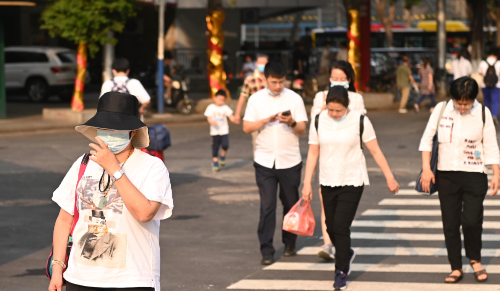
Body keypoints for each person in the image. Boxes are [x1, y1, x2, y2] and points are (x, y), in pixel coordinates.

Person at [48, 92, 174, 291]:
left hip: (132, 281)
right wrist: (57, 268)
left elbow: (144, 213)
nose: (108, 134)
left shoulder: (153, 167)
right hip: (79, 278)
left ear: (132, 132)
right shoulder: (83, 163)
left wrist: (115, 169)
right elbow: (65, 219)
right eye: (103, 128)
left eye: (115, 129)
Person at [302, 86, 400, 290]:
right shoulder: (319, 120)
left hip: (352, 179)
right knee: (329, 225)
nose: (334, 114)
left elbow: (375, 150)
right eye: (331, 109)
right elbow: (312, 153)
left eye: (339, 110)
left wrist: (390, 177)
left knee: (340, 226)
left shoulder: (360, 120)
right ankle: (346, 253)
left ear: (347, 106)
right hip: (328, 179)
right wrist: (306, 183)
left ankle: (340, 271)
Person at [419, 77, 499, 284]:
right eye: (459, 103)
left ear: (474, 99)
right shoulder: (440, 110)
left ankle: (475, 259)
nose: (462, 107)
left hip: (474, 175)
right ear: (452, 98)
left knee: (471, 221)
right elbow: (427, 139)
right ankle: (455, 266)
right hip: (446, 175)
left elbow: (491, 145)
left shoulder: (483, 113)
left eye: (467, 103)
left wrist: (496, 173)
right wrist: (427, 169)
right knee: (450, 223)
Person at [242, 61, 308, 266]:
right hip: (264, 161)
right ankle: (267, 249)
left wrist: (291, 122)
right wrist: (264, 121)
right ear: (265, 80)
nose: (278, 86)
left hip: (290, 160)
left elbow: (303, 129)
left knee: (290, 204)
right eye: (273, 82)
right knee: (268, 205)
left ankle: (290, 242)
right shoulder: (255, 99)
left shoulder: (295, 98)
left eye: (281, 82)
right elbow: (246, 127)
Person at [310, 60, 366, 260]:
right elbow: (316, 123)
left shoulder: (357, 99)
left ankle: (339, 247)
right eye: (335, 78)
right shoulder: (320, 97)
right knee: (327, 206)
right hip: (326, 157)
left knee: (341, 216)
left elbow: (361, 127)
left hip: (348, 158)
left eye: (343, 79)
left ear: (350, 80)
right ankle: (328, 242)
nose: (339, 82)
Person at [204, 89, 235, 171]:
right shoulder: (211, 107)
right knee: (215, 146)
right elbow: (208, 117)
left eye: (223, 100)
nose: (221, 101)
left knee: (225, 145)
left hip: (224, 130)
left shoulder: (225, 108)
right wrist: (211, 121)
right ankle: (215, 161)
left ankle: (222, 155)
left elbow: (231, 116)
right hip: (215, 132)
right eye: (219, 99)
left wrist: (235, 119)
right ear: (215, 98)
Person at [478, 48, 500, 123]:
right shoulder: (499, 63)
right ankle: (494, 116)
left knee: (486, 101)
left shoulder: (482, 62)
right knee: (495, 101)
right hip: (497, 85)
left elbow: (480, 73)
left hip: (485, 85)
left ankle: (487, 117)